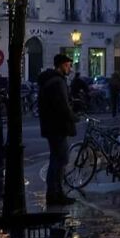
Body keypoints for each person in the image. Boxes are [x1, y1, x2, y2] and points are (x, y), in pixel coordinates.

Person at [37, 53, 76, 206]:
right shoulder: (58, 82)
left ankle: (54, 193)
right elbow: (63, 106)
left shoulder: (49, 80)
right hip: (58, 126)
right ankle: (56, 194)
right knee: (60, 161)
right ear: (60, 66)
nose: (69, 68)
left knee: (55, 160)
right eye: (67, 65)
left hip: (51, 126)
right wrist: (73, 117)